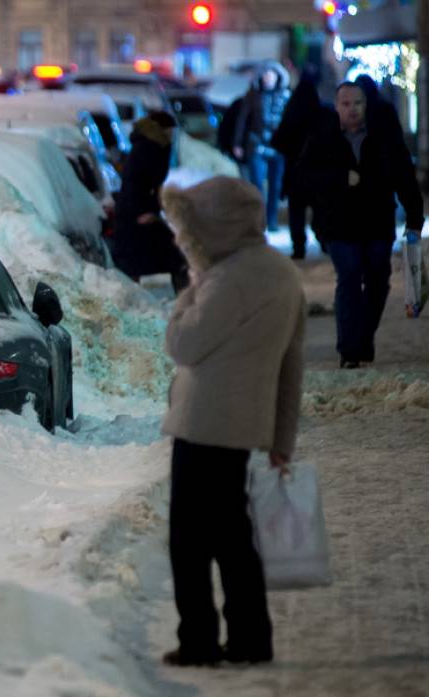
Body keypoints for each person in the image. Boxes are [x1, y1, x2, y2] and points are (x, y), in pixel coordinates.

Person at [158, 175, 306, 668]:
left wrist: (190, 291)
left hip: (203, 425)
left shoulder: (226, 279)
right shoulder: (281, 272)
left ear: (214, 227)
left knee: (190, 543)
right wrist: (281, 437)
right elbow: (292, 365)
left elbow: (182, 343)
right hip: (242, 429)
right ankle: (249, 637)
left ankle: (200, 640)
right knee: (232, 538)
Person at [299, 81, 424, 368]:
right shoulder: (323, 136)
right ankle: (349, 350)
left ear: (366, 105)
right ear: (336, 106)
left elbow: (404, 175)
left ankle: (363, 338)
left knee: (379, 280)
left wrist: (415, 219)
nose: (352, 109)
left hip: (377, 220)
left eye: (357, 103)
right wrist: (339, 178)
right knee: (351, 275)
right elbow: (303, 177)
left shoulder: (384, 136)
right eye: (345, 104)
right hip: (338, 223)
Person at [110, 111, 189, 291]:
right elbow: (135, 182)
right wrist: (144, 211)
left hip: (141, 211)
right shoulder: (148, 148)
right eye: (169, 130)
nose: (172, 135)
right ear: (160, 129)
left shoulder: (155, 145)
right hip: (136, 213)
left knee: (165, 254)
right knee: (155, 256)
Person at [271, 65, 328, 259]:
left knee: (297, 212)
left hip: (295, 172)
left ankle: (299, 247)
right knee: (319, 210)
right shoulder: (321, 115)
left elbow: (278, 140)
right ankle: (323, 240)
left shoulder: (292, 114)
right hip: (318, 173)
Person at [233, 64, 291, 231]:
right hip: (257, 146)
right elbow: (242, 120)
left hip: (278, 148)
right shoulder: (253, 95)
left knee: (276, 185)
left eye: (271, 74)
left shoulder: (285, 95)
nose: (268, 77)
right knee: (257, 183)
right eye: (265, 74)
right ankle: (260, 220)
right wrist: (238, 143)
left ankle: (272, 220)